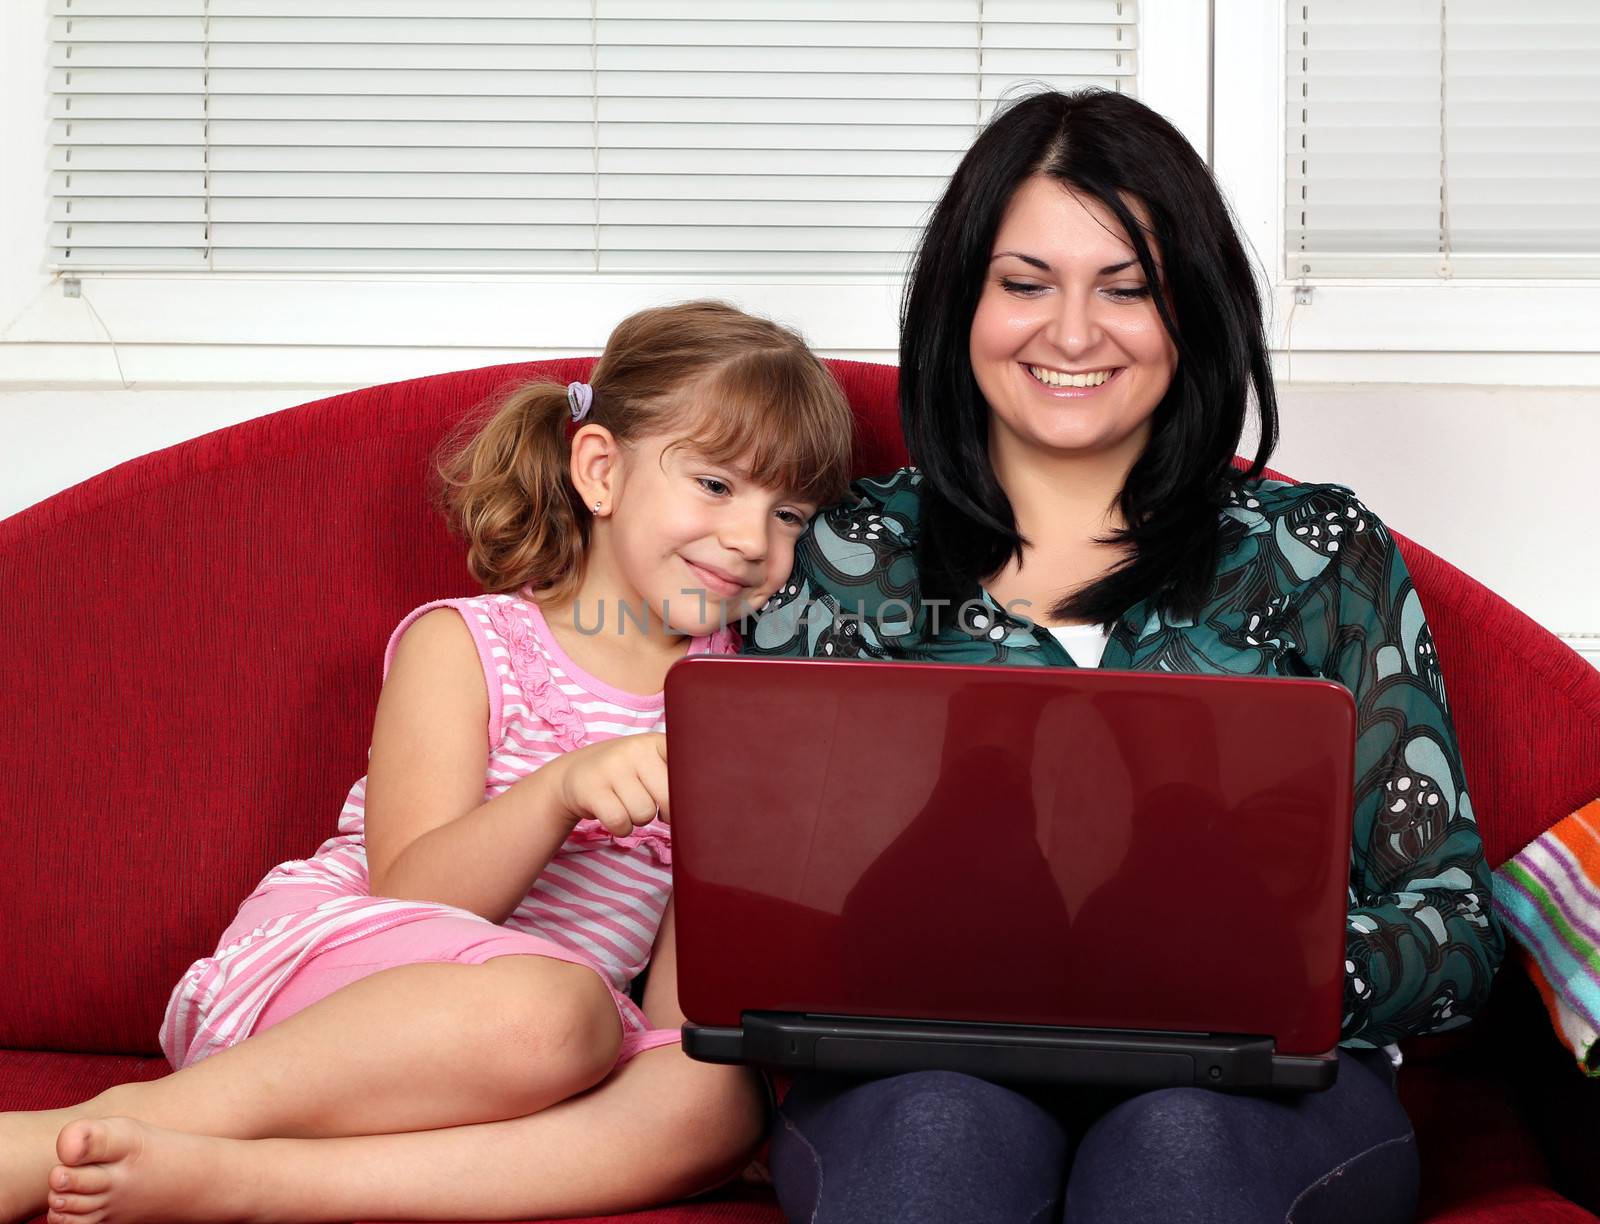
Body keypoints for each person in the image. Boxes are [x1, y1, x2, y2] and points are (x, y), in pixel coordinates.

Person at [745, 89, 1503, 1224]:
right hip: (914, 1078)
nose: (1071, 333)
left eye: (1127, 288)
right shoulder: (855, 555)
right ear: (962, 301)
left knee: (1177, 1147)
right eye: (1025, 283)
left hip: (1254, 1093)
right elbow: (754, 902)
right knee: (935, 1136)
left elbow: (1450, 925)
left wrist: (1268, 975)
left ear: (1189, 311)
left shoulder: (1315, 555)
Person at [0, 300, 853, 1224]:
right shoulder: (469, 645)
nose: (751, 540)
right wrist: (557, 791)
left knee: (712, 1098)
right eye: (718, 486)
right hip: (345, 991)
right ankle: (111, 1125)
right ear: (601, 471)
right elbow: (413, 891)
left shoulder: (743, 713)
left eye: (791, 514)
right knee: (556, 1014)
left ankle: (249, 1187)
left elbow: (689, 1014)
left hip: (535, 1055)